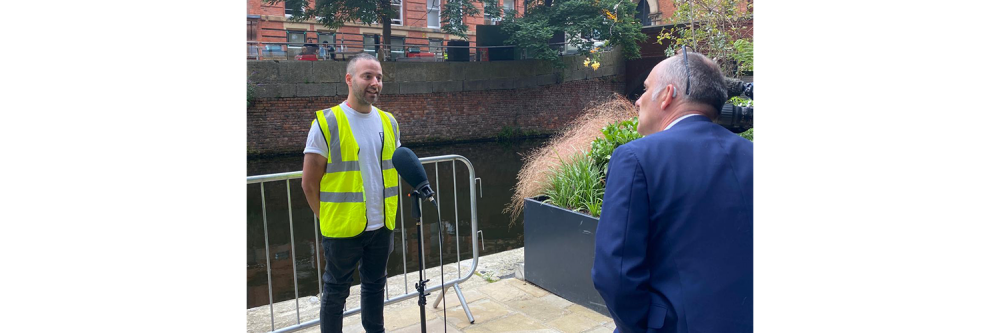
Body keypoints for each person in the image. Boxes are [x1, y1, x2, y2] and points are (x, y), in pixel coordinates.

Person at [592, 48, 754, 333]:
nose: (638, 101)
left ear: (668, 95)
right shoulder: (749, 153)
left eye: (645, 89)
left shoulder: (636, 158)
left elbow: (614, 275)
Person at [302, 52, 401, 333]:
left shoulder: (389, 122)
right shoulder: (327, 122)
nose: (375, 82)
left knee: (374, 286)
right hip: (342, 229)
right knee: (335, 293)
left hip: (382, 225)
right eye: (367, 76)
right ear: (349, 79)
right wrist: (328, 218)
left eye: (379, 77)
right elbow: (309, 183)